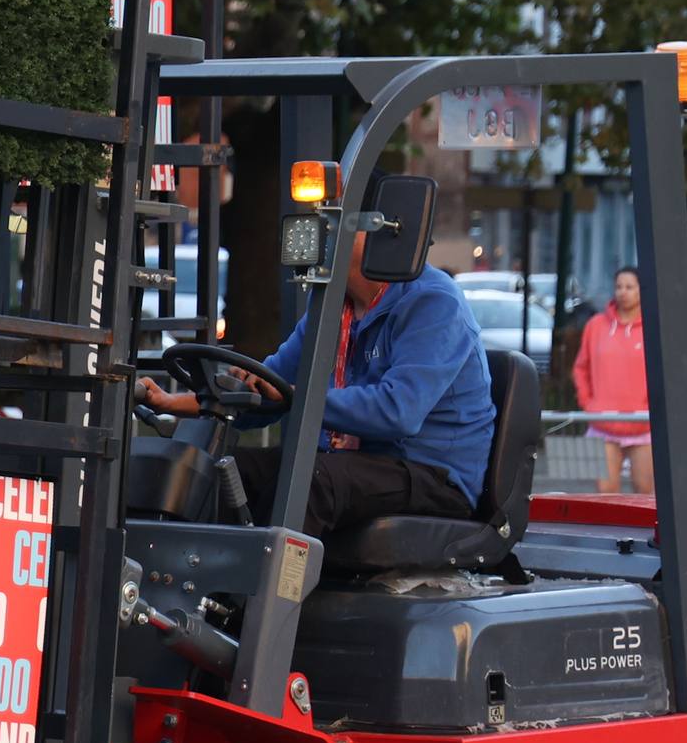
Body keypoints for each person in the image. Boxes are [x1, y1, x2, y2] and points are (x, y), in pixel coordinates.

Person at [141, 225, 496, 538]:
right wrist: (176, 404)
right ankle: (196, 593)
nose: (320, 230)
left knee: (308, 479)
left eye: (335, 219)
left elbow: (397, 411)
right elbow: (273, 387)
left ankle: (262, 607)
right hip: (349, 464)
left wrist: (296, 397)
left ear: (381, 228)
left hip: (431, 474)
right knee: (214, 471)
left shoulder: (432, 301)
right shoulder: (332, 308)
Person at [572, 264, 653, 495]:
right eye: (618, 286)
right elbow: (581, 368)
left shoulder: (652, 329)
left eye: (629, 287)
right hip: (602, 422)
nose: (623, 292)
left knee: (645, 491)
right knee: (605, 493)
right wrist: (588, 404)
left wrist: (651, 408)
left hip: (643, 424)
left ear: (641, 291)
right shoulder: (595, 326)